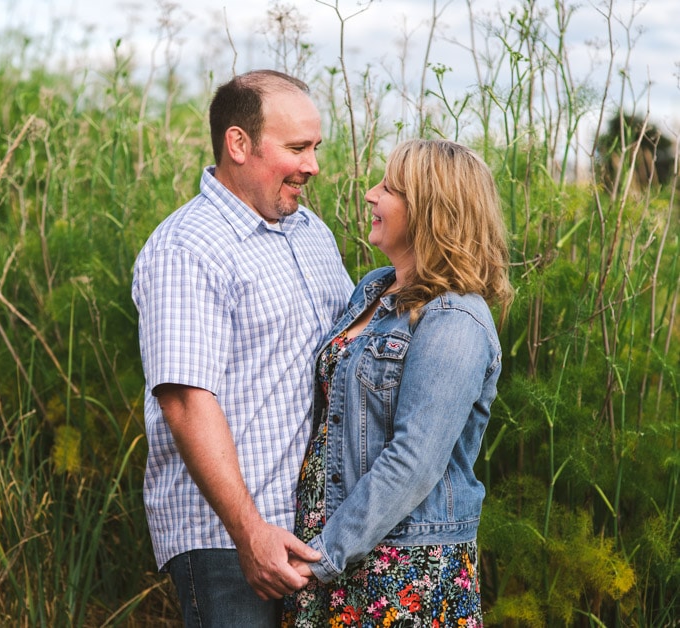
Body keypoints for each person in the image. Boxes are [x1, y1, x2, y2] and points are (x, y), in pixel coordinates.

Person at [131, 69, 354, 626]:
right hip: (227, 541)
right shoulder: (188, 247)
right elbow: (184, 401)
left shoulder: (311, 232)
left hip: (314, 534)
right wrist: (249, 531)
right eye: (297, 148)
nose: (313, 166)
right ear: (239, 143)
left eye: (316, 148)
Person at [282, 139, 514, 627]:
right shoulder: (372, 288)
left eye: (388, 188)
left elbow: (415, 459)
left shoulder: (454, 318)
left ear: (430, 210)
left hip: (401, 566)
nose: (370, 194)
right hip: (338, 550)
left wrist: (323, 553)